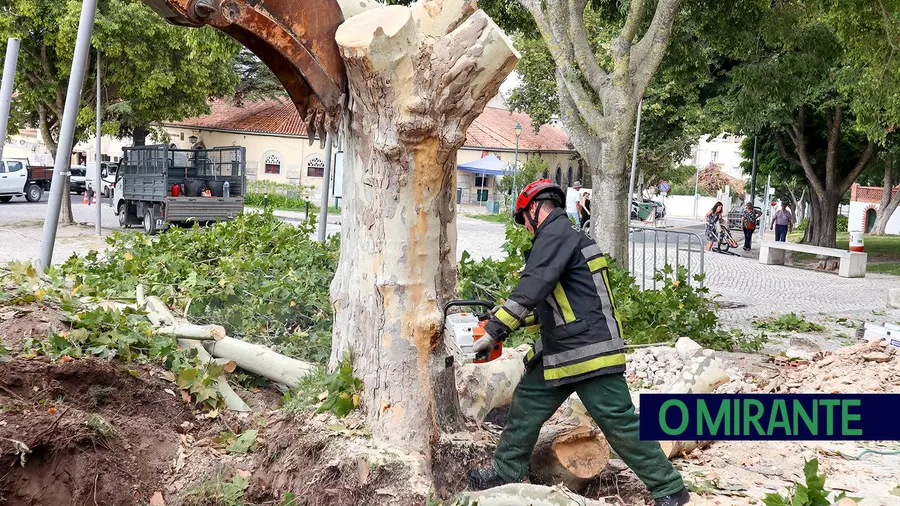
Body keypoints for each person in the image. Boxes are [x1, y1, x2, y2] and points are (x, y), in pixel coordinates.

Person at [466, 179, 690, 506]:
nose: (527, 229)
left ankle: (669, 488)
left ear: (533, 208)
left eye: (524, 221)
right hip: (565, 349)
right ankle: (506, 469)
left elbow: (532, 286)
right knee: (526, 403)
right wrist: (496, 320)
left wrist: (495, 331)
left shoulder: (555, 235)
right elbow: (553, 304)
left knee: (619, 424)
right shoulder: (567, 235)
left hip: (589, 352)